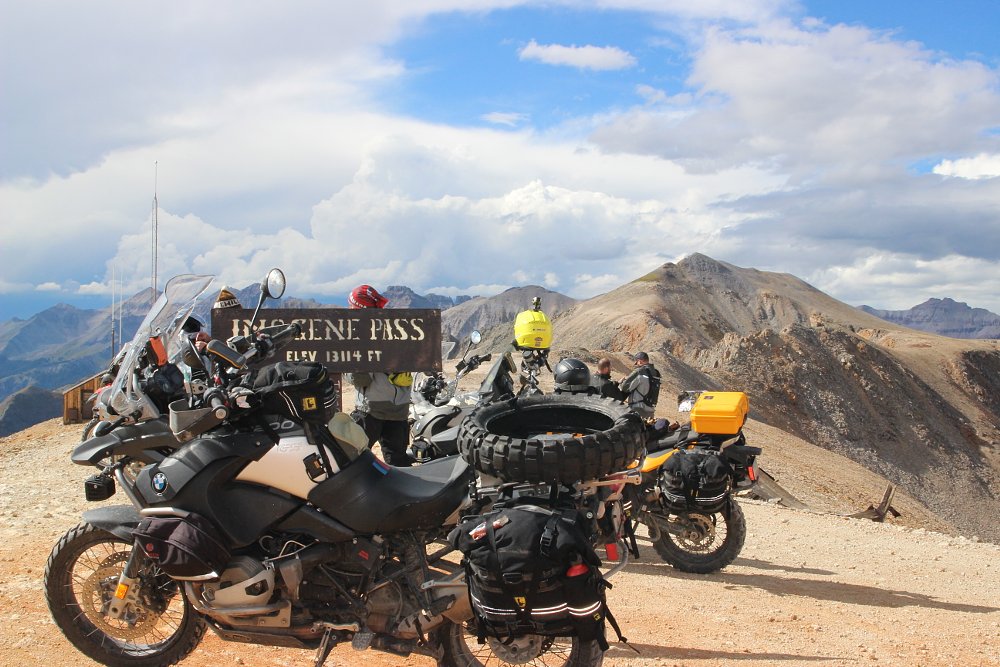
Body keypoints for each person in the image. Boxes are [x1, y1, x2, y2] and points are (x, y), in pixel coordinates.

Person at [345, 284, 413, 466]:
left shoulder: (361, 335)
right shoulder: (398, 329)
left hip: (372, 410)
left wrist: (346, 369)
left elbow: (361, 379)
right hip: (400, 410)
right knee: (398, 463)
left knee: (353, 460)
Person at [619, 352, 661, 419]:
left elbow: (625, 387)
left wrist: (621, 382)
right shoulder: (656, 373)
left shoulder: (639, 371)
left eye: (637, 362)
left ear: (640, 361)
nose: (636, 365)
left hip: (637, 409)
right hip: (650, 411)